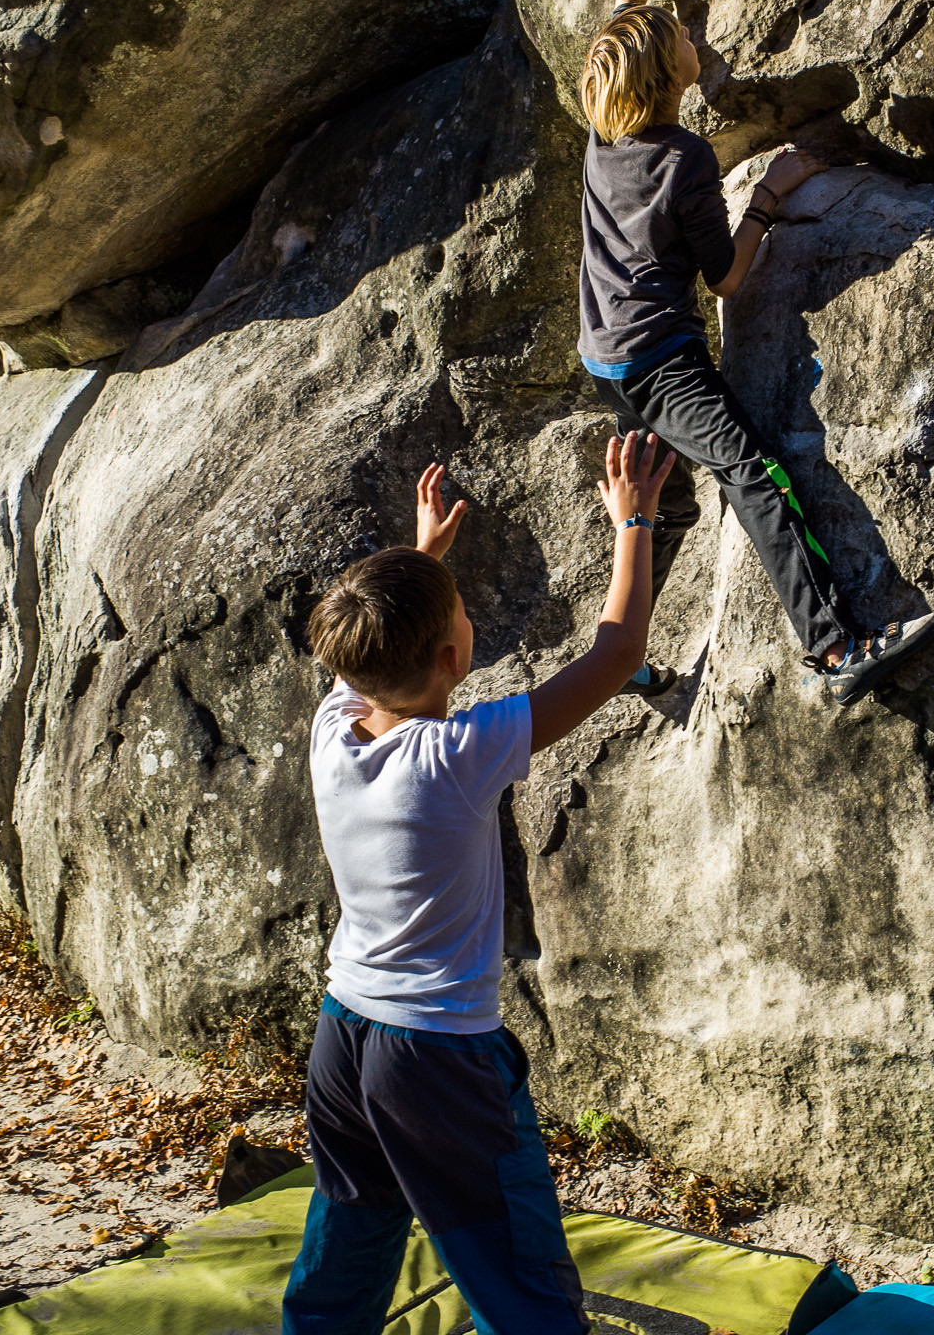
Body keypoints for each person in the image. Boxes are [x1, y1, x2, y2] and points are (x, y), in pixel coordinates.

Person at [281, 443, 675, 1335]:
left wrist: (425, 559)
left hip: (344, 1038)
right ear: (457, 655)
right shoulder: (456, 758)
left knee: (350, 1234)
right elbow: (617, 655)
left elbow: (373, 652)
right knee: (517, 1269)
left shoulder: (332, 728)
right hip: (440, 1061)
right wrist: (633, 518)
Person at [579, 0, 934, 707]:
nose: (689, 32)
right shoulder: (682, 161)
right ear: (667, 77)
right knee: (756, 471)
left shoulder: (604, 134)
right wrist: (772, 195)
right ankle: (833, 649)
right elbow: (732, 280)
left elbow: (625, 11)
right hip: (657, 360)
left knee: (659, 508)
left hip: (605, 357)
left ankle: (620, 660)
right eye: (679, 37)